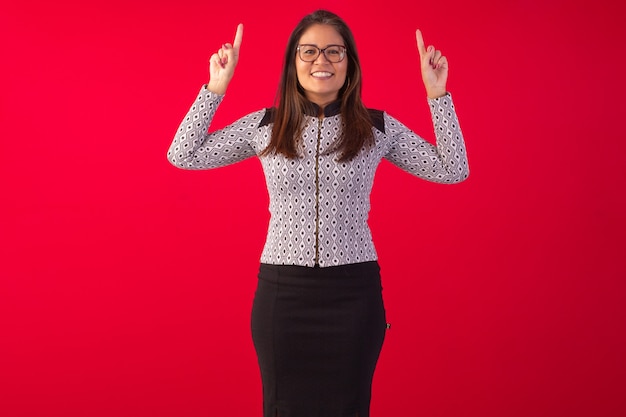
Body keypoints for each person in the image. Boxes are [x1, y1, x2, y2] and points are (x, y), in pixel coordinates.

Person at [167, 9, 469, 417]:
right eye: (308, 51)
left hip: (353, 293)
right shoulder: (266, 126)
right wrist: (216, 88)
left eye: (333, 52)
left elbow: (453, 169)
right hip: (283, 293)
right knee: (282, 408)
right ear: (293, 62)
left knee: (349, 407)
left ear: (350, 64)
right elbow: (182, 154)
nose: (321, 62)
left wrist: (437, 96)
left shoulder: (375, 127)